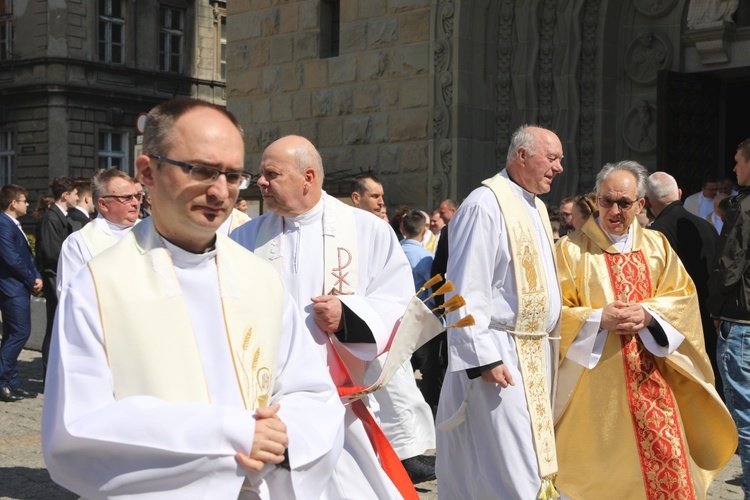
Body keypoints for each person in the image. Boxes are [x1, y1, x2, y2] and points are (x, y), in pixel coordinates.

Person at [42, 97, 344, 499]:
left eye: (234, 176)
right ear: (148, 172)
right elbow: (77, 428)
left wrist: (283, 443)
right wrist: (231, 436)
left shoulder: (259, 279)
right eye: (201, 170)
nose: (221, 192)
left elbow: (311, 391)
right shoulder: (98, 286)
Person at [232, 135, 419, 499]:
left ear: (308, 177)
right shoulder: (243, 238)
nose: (260, 183)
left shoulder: (366, 230)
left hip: (341, 401)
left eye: (271, 174)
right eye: (260, 174)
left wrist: (347, 316)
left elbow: (398, 302)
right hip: (269, 405)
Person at [554, 161, 736, 499]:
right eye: (606, 201)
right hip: (594, 389)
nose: (614, 210)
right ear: (596, 200)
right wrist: (596, 319)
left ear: (641, 204)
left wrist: (650, 314)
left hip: (653, 378)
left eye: (624, 203)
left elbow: (683, 299)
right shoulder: (571, 251)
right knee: (596, 480)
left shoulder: (658, 247)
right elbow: (553, 315)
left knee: (668, 467)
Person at [436, 125, 564, 498]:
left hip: (533, 353)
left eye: (560, 161)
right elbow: (462, 286)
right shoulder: (484, 203)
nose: (558, 168)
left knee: (524, 462)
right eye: (552, 158)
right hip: (499, 355)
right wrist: (482, 359)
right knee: (509, 465)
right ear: (521, 156)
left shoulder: (535, 205)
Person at [645, 171, 722, 397]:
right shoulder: (707, 226)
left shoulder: (655, 235)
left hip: (677, 324)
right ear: (679, 193)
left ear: (647, 203)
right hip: (709, 317)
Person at [708, 137, 750, 499]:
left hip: (742, 322)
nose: (734, 169)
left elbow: (728, 267)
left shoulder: (743, 207)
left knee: (747, 421)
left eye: (739, 162)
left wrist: (715, 308)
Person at [55, 168, 141, 297]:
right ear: (103, 204)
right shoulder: (79, 242)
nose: (135, 203)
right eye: (127, 198)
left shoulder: (153, 231)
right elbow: (70, 295)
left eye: (137, 196)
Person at [0, 185, 43, 402]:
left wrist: (35, 276)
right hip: (11, 287)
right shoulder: (3, 224)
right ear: (12, 203)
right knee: (20, 334)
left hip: (20, 286)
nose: (27, 204)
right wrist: (30, 278)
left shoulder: (14, 224)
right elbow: (11, 258)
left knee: (11, 335)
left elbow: (26, 255)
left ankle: (12, 384)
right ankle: (2, 382)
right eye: (24, 200)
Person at [35, 176, 78, 377]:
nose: (78, 197)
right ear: (65, 195)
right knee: (53, 327)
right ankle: (48, 375)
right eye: (75, 193)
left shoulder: (59, 216)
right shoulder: (52, 218)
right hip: (54, 277)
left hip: (59, 276)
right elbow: (53, 253)